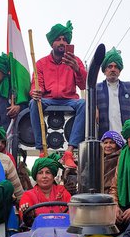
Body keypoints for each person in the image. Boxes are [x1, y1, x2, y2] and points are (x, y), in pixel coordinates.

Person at [29, 21, 87, 168]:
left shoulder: (76, 60)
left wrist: (77, 69)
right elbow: (36, 85)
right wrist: (36, 91)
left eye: (65, 40)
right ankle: (42, 151)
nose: (62, 42)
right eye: (58, 39)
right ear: (52, 43)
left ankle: (69, 152)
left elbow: (84, 85)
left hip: (69, 100)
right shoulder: (41, 63)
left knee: (84, 104)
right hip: (48, 99)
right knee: (33, 103)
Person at [97, 47, 130, 138]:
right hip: (104, 143)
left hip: (126, 141)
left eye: (116, 67)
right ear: (105, 70)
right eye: (110, 66)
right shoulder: (96, 89)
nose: (113, 69)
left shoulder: (129, 87)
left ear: (119, 71)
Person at [19, 154, 71, 226]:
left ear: (53, 176)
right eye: (40, 173)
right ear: (35, 177)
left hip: (62, 235)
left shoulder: (62, 191)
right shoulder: (28, 195)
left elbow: (73, 215)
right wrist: (29, 215)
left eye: (48, 172)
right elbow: (26, 221)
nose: (44, 176)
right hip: (37, 235)